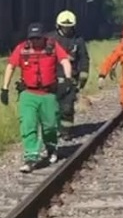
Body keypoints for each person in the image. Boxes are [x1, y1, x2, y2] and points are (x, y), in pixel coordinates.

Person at [1, 23, 73, 173]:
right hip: (28, 94)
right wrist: (5, 89)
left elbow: (65, 60)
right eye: (32, 39)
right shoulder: (22, 48)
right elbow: (10, 66)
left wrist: (67, 79)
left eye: (38, 38)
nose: (35, 42)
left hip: (48, 94)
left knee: (50, 125)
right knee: (28, 124)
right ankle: (31, 157)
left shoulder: (53, 46)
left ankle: (51, 148)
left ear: (43, 37)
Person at [47, 10, 89, 141]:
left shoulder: (78, 40)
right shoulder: (50, 40)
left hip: (70, 79)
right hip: (52, 78)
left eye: (69, 27)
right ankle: (53, 129)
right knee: (52, 107)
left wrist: (83, 76)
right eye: (64, 26)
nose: (67, 29)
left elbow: (84, 59)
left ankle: (66, 131)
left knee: (67, 107)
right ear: (58, 26)